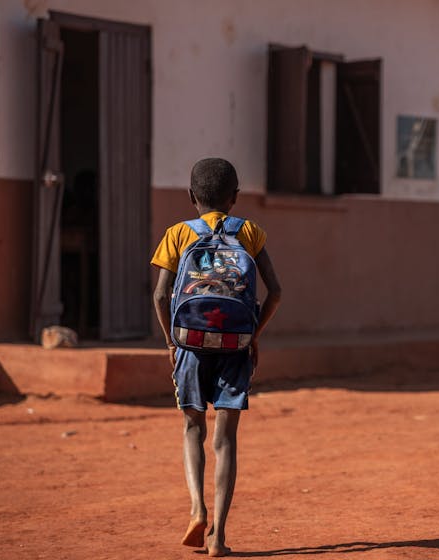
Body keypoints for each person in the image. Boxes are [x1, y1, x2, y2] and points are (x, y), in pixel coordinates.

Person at [151, 158, 282, 557]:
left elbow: (160, 296)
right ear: (235, 197)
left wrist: (172, 343)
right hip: (235, 346)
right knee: (225, 440)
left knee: (193, 429)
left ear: (191, 196)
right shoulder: (250, 231)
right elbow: (275, 291)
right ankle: (219, 537)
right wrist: (253, 336)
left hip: (190, 344)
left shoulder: (177, 234)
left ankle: (196, 508)